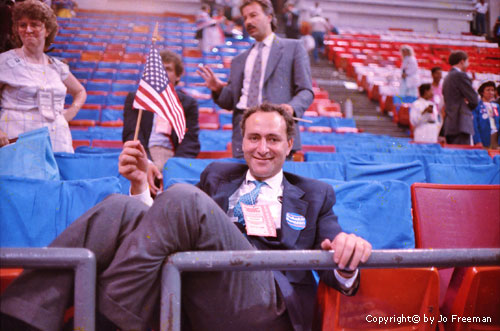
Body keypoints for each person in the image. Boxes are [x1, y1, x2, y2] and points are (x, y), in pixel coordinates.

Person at [0, 103, 372, 331]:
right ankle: (19, 318)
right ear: (240, 142)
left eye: (273, 139)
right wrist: (140, 186)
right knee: (120, 207)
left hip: (268, 303)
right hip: (202, 288)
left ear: (289, 145)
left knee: (180, 196)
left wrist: (347, 253)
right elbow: (165, 229)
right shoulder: (219, 176)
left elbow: (335, 260)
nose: (262, 148)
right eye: (253, 137)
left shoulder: (315, 193)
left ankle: (101, 321)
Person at [197, 0, 313, 158]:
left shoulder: (293, 48)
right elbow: (230, 102)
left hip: (277, 132)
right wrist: (218, 89)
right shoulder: (239, 60)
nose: (248, 21)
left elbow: (306, 91)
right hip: (243, 137)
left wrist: (292, 107)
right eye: (245, 18)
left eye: (253, 15)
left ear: (269, 17)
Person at [0, 0, 86, 153]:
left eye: (35, 24)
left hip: (58, 142)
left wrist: (70, 113)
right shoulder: (4, 61)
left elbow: (80, 92)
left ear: (47, 30)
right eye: (22, 25)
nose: (28, 29)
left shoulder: (57, 66)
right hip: (18, 143)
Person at [122, 49, 200, 193]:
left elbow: (191, 143)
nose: (162, 73)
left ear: (178, 76)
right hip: (144, 154)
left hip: (173, 157)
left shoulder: (188, 104)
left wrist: (174, 168)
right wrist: (147, 162)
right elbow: (132, 134)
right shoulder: (137, 99)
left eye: (168, 69)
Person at [442, 50, 479, 145]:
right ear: (462, 61)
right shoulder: (460, 75)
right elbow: (474, 99)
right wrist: (467, 107)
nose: (468, 64)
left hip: (450, 123)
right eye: (467, 61)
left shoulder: (447, 77)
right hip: (461, 122)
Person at [472, 81, 499, 149]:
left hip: (496, 137)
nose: (491, 92)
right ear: (482, 92)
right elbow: (474, 125)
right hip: (484, 137)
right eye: (488, 90)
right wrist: (477, 140)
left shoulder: (496, 106)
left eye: (492, 90)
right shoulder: (477, 106)